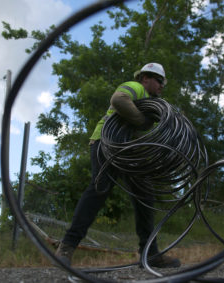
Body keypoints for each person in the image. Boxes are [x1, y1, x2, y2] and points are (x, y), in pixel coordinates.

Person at [55, 63, 181, 268]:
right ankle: (66, 247)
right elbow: (118, 100)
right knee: (99, 190)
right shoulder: (135, 87)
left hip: (128, 150)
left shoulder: (151, 103)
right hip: (106, 143)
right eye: (159, 81)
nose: (161, 86)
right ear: (146, 78)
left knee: (145, 196)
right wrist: (141, 121)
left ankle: (150, 254)